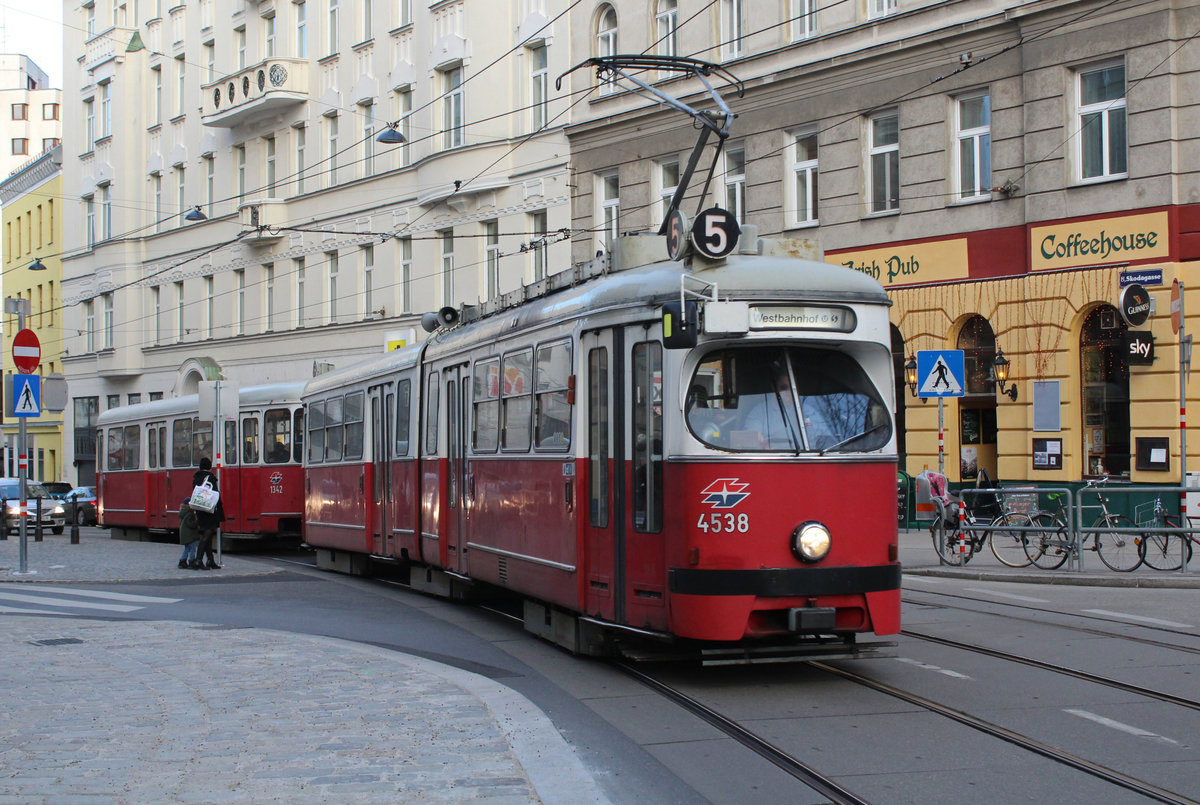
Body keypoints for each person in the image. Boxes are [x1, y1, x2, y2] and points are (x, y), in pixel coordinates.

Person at [191, 457, 226, 570]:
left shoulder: (196, 478)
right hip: (209, 510)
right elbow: (215, 494)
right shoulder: (210, 478)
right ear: (210, 466)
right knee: (207, 535)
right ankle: (198, 560)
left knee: (207, 535)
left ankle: (210, 560)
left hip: (200, 509)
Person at [177, 499, 200, 569]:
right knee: (192, 548)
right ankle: (191, 561)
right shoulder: (189, 513)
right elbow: (191, 524)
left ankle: (182, 561)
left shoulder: (182, 512)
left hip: (185, 535)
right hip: (190, 535)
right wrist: (197, 522)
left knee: (187, 548)